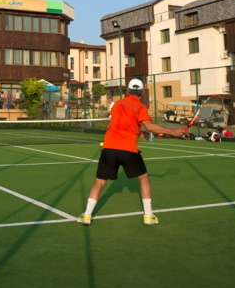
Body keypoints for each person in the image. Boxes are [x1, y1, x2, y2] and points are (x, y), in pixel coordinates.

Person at [77, 79, 185, 227]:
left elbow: (123, 121)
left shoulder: (116, 105)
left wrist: (138, 131)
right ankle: (148, 216)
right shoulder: (140, 107)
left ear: (127, 91)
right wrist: (174, 131)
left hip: (108, 148)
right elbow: (150, 127)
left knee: (99, 182)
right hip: (128, 149)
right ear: (141, 92)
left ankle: (87, 215)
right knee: (143, 178)